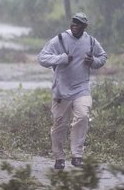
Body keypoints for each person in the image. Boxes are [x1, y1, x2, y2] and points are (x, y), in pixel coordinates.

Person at [37, 12, 107, 169]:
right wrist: (60, 58)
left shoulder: (90, 41)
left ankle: (77, 155)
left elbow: (103, 57)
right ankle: (59, 157)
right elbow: (42, 58)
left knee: (82, 116)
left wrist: (93, 61)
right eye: (73, 22)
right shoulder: (60, 39)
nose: (75, 25)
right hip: (61, 90)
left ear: (84, 26)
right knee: (59, 124)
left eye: (79, 23)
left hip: (82, 87)